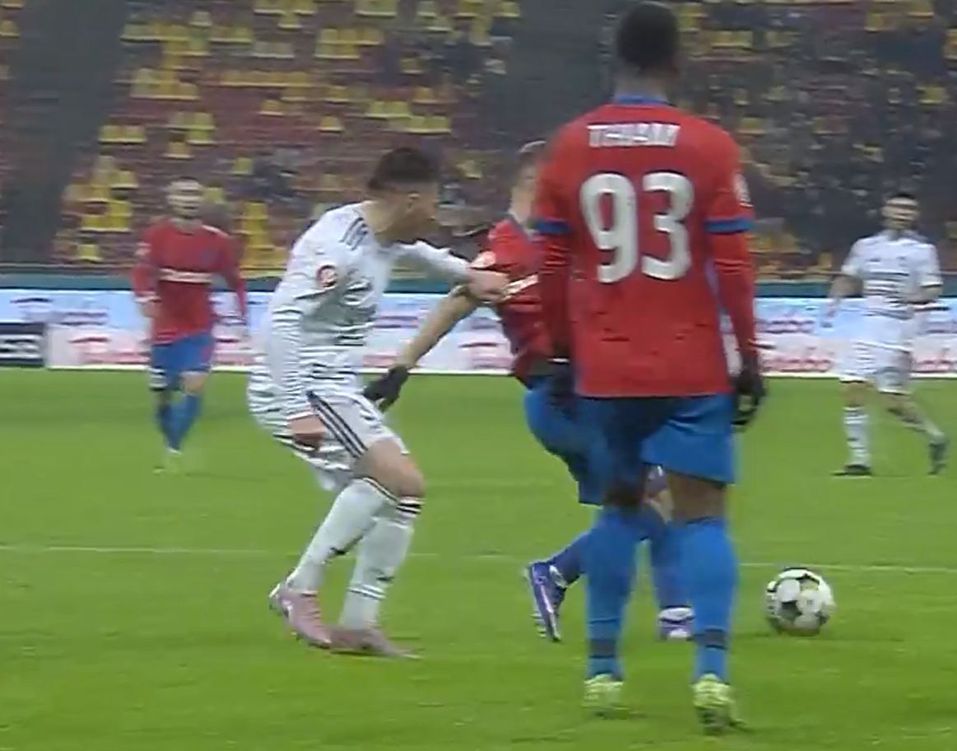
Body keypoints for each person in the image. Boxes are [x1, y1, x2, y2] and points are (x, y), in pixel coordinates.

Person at [533, 2, 765, 732]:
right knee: (702, 517)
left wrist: (560, 350)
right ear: (675, 62)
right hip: (691, 364)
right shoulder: (709, 146)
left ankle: (603, 673)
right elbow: (734, 265)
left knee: (620, 508)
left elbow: (550, 265)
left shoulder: (569, 146)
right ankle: (711, 673)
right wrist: (748, 356)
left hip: (606, 367)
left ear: (616, 59)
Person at [364, 141, 693, 644]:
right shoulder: (505, 248)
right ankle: (617, 595)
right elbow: (455, 303)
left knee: (640, 502)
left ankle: (645, 605)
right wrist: (401, 366)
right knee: (658, 493)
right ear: (537, 183)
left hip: (588, 394)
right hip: (563, 397)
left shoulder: (568, 241)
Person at [247, 147, 507, 655]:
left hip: (334, 385)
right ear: (410, 199)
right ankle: (299, 588)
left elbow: (418, 252)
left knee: (405, 493)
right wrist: (296, 406)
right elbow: (280, 322)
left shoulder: (383, 234)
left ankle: (358, 624)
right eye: (433, 203)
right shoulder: (334, 248)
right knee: (398, 478)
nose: (436, 214)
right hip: (304, 384)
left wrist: (469, 275)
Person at [825, 191, 948, 477]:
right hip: (866, 325)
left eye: (908, 209)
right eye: (897, 207)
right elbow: (848, 276)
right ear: (885, 211)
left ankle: (935, 436)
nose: (902, 212)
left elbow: (933, 288)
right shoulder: (865, 246)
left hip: (897, 329)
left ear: (915, 216)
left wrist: (915, 297)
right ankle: (859, 460)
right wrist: (834, 300)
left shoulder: (922, 250)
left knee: (892, 402)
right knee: (851, 387)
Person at [131, 178, 247, 472]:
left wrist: (242, 315)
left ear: (202, 199)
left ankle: (174, 449)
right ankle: (170, 437)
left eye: (195, 193)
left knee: (195, 385)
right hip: (164, 327)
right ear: (171, 199)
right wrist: (144, 296)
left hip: (199, 327)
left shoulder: (218, 241)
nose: (189, 198)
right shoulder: (157, 235)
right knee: (162, 394)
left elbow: (236, 280)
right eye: (183, 193)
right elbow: (142, 272)